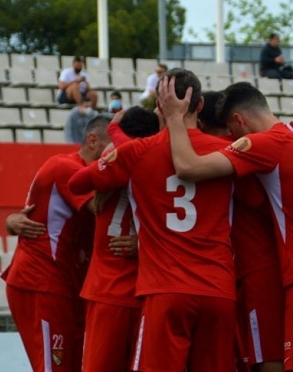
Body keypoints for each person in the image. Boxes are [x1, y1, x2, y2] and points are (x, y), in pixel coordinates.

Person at [159, 81, 293, 372]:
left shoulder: (267, 144)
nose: (231, 139)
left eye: (232, 134)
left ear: (239, 121)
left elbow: (188, 167)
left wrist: (172, 118)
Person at [68, 69, 238, 372]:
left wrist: (116, 141)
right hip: (218, 288)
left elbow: (78, 183)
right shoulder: (228, 151)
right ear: (199, 106)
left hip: (165, 288)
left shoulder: (139, 152)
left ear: (159, 105)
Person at [2, 115, 112, 372]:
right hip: (42, 281)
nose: (115, 152)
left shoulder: (75, 171)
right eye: (112, 145)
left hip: (65, 284)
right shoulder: (65, 167)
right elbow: (100, 206)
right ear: (93, 141)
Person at [198, 91, 285, 372]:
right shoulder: (249, 148)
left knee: (266, 356)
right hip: (241, 273)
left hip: (254, 270)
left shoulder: (233, 152)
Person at [81, 107, 160, 372]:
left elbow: (75, 182)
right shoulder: (164, 162)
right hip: (148, 289)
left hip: (107, 288)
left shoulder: (110, 161)